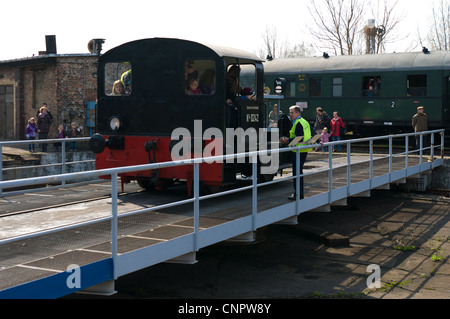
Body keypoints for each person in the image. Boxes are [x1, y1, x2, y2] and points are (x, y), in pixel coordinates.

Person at [281, 105, 316, 200]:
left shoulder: (298, 123)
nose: (290, 114)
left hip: (297, 151)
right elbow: (314, 134)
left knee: (296, 173)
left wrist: (287, 140)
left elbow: (299, 138)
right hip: (304, 150)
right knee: (299, 172)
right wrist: (315, 142)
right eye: (290, 112)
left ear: (297, 113)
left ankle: (297, 194)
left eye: (292, 112)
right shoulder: (305, 122)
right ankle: (299, 194)